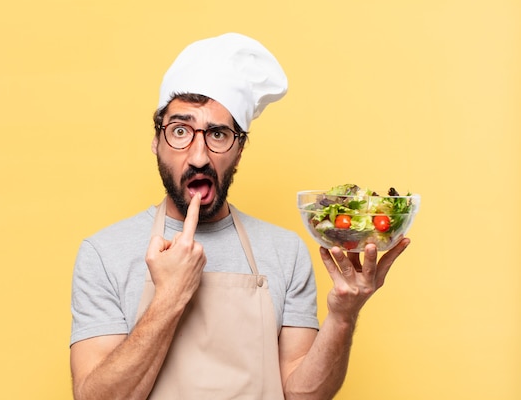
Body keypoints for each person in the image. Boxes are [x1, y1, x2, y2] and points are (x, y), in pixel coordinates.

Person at [69, 32, 410, 400]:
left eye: (217, 133)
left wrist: (343, 316)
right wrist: (170, 296)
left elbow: (303, 395)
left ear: (240, 148)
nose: (199, 156)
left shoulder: (285, 251)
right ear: (156, 141)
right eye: (180, 131)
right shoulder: (104, 253)